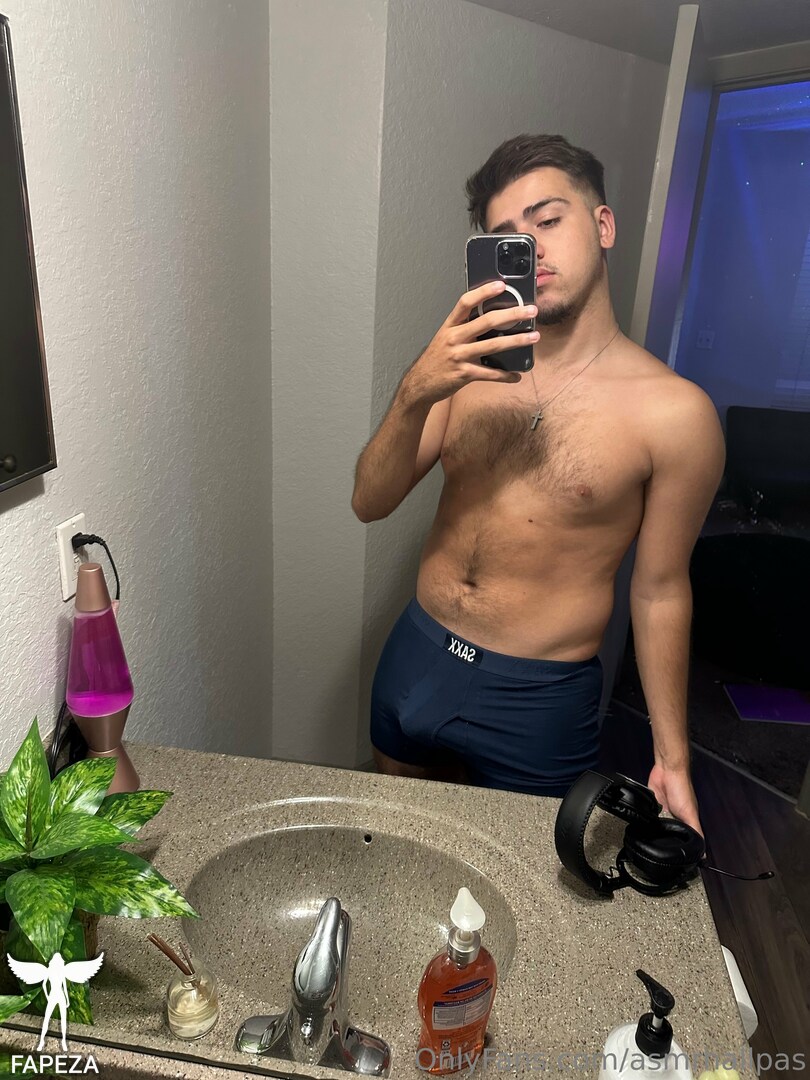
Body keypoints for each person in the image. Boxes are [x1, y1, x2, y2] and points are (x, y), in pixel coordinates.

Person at [351, 134, 725, 835]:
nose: (532, 248)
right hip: (419, 651)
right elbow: (368, 503)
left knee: (524, 873)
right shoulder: (464, 369)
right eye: (507, 238)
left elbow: (660, 589)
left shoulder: (676, 415)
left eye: (548, 220)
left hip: (539, 697)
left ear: (603, 225)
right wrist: (414, 391)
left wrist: (672, 758)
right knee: (394, 838)